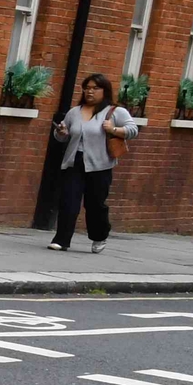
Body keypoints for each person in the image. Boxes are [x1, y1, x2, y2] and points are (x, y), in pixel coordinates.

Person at [49, 73, 136, 253]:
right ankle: (61, 240)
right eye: (87, 88)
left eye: (95, 88)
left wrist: (113, 129)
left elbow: (133, 129)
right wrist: (61, 133)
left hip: (100, 165)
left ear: (105, 90)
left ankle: (99, 236)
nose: (90, 91)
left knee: (95, 205)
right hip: (74, 162)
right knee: (68, 202)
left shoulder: (115, 111)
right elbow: (61, 136)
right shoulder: (75, 112)